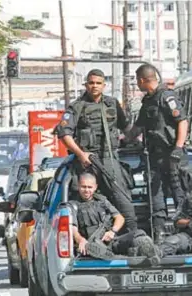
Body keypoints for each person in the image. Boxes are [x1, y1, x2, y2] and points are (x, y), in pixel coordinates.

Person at [55, 69, 138, 233]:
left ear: (104, 85)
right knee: (88, 200)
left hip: (110, 159)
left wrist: (138, 140)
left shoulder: (112, 103)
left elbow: (127, 128)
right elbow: (64, 134)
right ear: (86, 84)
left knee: (122, 198)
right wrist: (80, 154)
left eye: (98, 83)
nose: (94, 86)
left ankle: (133, 235)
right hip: (89, 162)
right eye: (91, 83)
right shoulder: (77, 107)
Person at [125, 64, 189, 243]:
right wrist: (125, 139)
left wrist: (178, 147)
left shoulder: (167, 97)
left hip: (172, 154)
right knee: (156, 195)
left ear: (144, 80)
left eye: (137, 80)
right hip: (154, 156)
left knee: (179, 192)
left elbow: (182, 122)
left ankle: (185, 229)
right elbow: (138, 127)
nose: (137, 84)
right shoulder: (148, 101)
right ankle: (159, 233)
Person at [68, 173, 156, 261]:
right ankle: (128, 258)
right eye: (83, 187)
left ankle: (151, 253)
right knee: (98, 251)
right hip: (92, 245)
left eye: (89, 187)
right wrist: (80, 240)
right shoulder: (73, 204)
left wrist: (112, 231)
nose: (86, 190)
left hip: (112, 241)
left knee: (139, 234)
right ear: (78, 186)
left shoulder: (102, 201)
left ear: (95, 187)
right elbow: (72, 227)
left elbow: (120, 218)